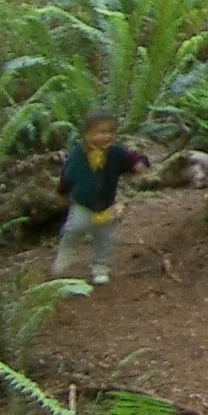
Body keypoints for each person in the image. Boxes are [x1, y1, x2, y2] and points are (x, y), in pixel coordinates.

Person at [53, 111, 149, 285]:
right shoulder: (78, 153)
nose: (104, 137)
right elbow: (67, 175)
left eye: (109, 133)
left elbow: (132, 157)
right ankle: (64, 258)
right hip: (82, 204)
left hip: (106, 205)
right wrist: (61, 193)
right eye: (99, 132)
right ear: (87, 134)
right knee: (73, 230)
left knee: (106, 238)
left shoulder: (116, 153)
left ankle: (100, 267)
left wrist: (139, 164)